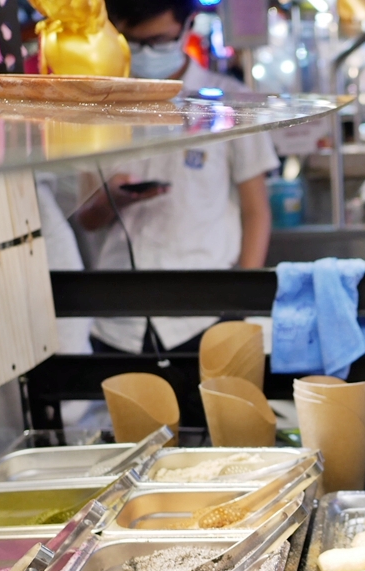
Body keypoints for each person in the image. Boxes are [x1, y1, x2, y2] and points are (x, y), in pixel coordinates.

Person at [75, 0, 278, 355]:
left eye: (159, 41)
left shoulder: (230, 102)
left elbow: (256, 210)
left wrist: (241, 305)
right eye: (133, 42)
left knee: (215, 412)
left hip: (206, 314)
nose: (147, 53)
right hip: (119, 321)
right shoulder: (100, 105)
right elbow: (87, 220)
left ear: (189, 25)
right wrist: (110, 200)